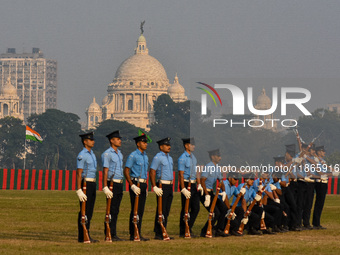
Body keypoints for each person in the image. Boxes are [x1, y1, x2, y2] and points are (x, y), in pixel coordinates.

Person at [124, 134, 150, 241]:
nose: (146, 144)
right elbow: (126, 170)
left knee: (141, 210)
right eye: (144, 142)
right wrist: (132, 185)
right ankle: (133, 233)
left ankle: (138, 231)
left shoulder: (145, 156)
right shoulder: (133, 155)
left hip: (143, 184)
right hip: (136, 183)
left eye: (146, 142)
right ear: (138, 144)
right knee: (135, 209)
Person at [200, 149, 229, 237]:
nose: (220, 158)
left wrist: (224, 192)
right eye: (218, 156)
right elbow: (202, 181)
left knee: (224, 209)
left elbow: (220, 181)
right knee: (215, 212)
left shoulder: (217, 168)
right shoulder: (208, 167)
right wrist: (207, 195)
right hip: (204, 193)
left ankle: (218, 229)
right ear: (213, 157)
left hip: (211, 193)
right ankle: (204, 231)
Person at [150, 137, 174, 240]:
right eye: (166, 145)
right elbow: (152, 171)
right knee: (161, 209)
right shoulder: (157, 157)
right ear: (161, 147)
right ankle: (158, 232)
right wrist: (154, 186)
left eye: (169, 145)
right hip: (162, 185)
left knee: (167, 209)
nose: (169, 147)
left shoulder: (170, 157)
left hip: (169, 185)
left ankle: (164, 229)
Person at [76, 132, 99, 243]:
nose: (93, 141)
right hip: (85, 184)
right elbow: (79, 173)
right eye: (90, 140)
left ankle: (87, 233)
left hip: (92, 183)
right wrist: (79, 189)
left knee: (89, 210)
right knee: (83, 210)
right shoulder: (82, 155)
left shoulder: (92, 154)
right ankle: (82, 235)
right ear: (85, 142)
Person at [178, 137, 203, 238]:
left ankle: (189, 227)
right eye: (192, 144)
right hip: (185, 184)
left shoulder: (194, 157)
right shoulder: (182, 158)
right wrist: (183, 188)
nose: (194, 146)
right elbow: (181, 174)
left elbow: (197, 172)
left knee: (196, 208)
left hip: (193, 185)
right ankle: (183, 230)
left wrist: (199, 184)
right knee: (185, 208)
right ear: (186, 146)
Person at [101, 130, 124, 241]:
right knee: (111, 209)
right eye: (117, 139)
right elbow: (105, 171)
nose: (120, 141)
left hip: (119, 183)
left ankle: (113, 232)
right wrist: (105, 186)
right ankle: (109, 232)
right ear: (112, 140)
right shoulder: (107, 154)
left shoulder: (119, 153)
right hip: (111, 183)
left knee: (116, 209)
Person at [312, 146, 328, 229]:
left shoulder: (323, 161)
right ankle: (316, 223)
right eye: (322, 151)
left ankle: (317, 222)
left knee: (321, 203)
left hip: (324, 182)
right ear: (318, 152)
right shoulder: (316, 161)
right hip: (320, 182)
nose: (324, 153)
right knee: (318, 203)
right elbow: (318, 171)